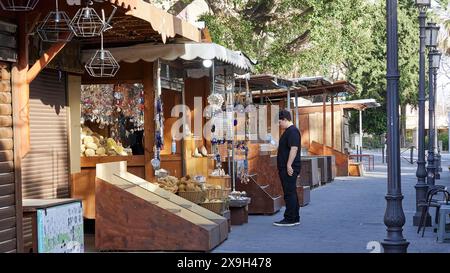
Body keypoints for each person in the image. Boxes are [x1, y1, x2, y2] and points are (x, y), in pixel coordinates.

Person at [274, 109, 301, 227]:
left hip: (289, 168)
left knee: (289, 193)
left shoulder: (292, 131)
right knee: (291, 192)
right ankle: (294, 217)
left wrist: (289, 164)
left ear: (285, 119)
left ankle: (290, 218)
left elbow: (294, 149)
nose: (279, 125)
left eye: (280, 122)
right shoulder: (289, 131)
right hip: (287, 167)